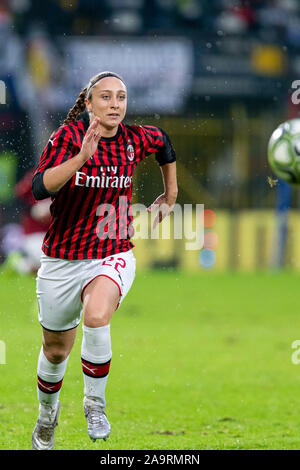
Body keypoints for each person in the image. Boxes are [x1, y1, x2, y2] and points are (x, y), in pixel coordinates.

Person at [31, 71, 178, 450]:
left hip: (111, 252)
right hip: (62, 259)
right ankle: (47, 417)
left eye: (122, 98)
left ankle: (94, 404)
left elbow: (164, 143)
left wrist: (171, 192)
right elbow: (38, 188)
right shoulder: (67, 137)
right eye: (107, 97)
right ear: (90, 103)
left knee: (97, 315)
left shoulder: (133, 139)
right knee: (55, 350)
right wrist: (82, 157)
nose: (115, 104)